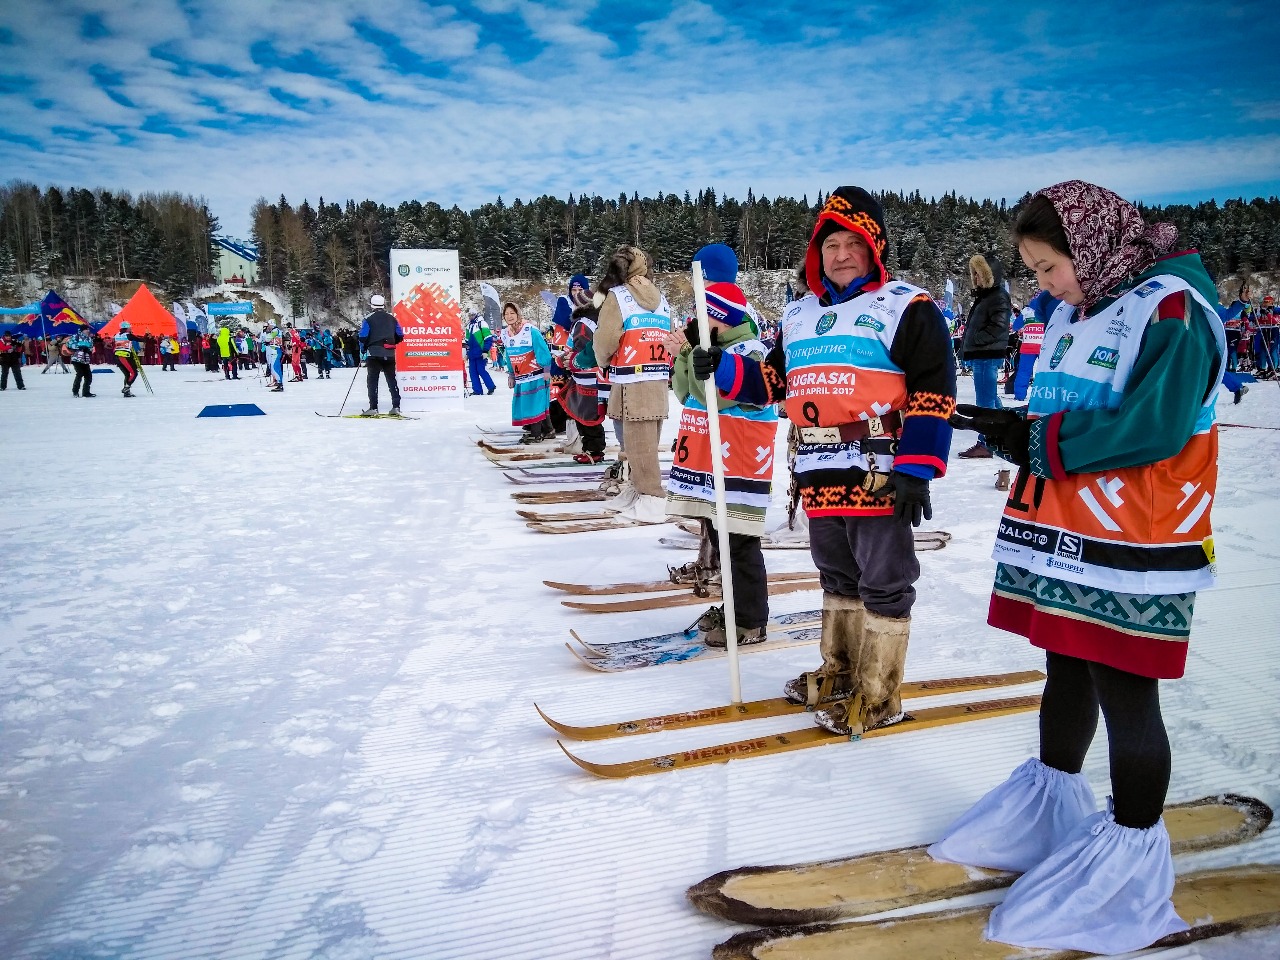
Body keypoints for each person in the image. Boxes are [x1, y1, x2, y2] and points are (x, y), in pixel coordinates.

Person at [935, 181, 1226, 955]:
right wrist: (1013, 428)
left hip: (1139, 539)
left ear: (1092, 248)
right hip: (1065, 528)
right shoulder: (1078, 309)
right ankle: (1051, 812)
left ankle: (1126, 870)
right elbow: (1070, 402)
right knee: (1065, 668)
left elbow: (1155, 424)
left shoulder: (1173, 308)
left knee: (1125, 689)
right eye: (1032, 271)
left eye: (1048, 267)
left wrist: (1042, 444)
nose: (1043, 286)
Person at [693, 186, 957, 736]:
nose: (839, 254)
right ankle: (840, 672)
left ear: (874, 248)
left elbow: (935, 390)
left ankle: (878, 692)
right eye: (830, 244)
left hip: (878, 463)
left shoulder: (907, 306)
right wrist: (719, 368)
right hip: (817, 465)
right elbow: (770, 381)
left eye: (852, 244)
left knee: (883, 578)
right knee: (836, 573)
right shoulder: (798, 314)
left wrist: (918, 466)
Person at [670, 280, 778, 646]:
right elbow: (685, 391)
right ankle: (734, 607)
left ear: (719, 319)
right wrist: (688, 353)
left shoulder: (748, 351)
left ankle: (749, 620)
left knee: (739, 543)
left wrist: (699, 353)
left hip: (741, 464)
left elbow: (712, 395)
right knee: (720, 537)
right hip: (715, 462)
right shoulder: (714, 347)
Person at [592, 245, 674, 523]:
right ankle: (638, 490)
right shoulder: (661, 298)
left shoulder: (619, 297)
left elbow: (606, 337)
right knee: (644, 441)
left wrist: (602, 359)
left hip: (629, 376)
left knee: (637, 442)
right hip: (656, 377)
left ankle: (651, 496)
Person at [957, 252, 1012, 458]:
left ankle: (987, 443)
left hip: (987, 355)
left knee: (985, 403)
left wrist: (975, 339)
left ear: (990, 275)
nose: (976, 278)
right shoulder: (986, 296)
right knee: (991, 400)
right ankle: (1005, 432)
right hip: (983, 355)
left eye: (979, 274)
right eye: (975, 274)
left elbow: (998, 327)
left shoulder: (997, 296)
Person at [501, 302, 552, 439]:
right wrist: (511, 374)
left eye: (512, 313)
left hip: (536, 375)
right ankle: (549, 430)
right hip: (521, 376)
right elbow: (508, 355)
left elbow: (542, 349)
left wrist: (546, 369)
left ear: (518, 314)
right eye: (506, 314)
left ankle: (536, 434)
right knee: (532, 404)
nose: (509, 316)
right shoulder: (505, 334)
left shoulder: (530, 330)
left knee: (534, 404)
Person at [359, 294, 403, 416]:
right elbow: (400, 334)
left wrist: (363, 349)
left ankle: (373, 408)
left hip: (374, 353)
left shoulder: (368, 318)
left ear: (372, 305)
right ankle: (396, 406)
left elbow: (363, 336)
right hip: (389, 353)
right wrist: (392, 342)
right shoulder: (392, 318)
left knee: (372, 381)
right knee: (391, 380)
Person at [465, 310, 496, 395]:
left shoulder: (482, 323)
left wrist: (485, 350)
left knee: (481, 370)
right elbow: (467, 341)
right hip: (472, 354)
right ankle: (477, 390)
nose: (470, 317)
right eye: (469, 315)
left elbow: (488, 338)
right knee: (472, 372)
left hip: (480, 352)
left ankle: (491, 386)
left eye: (472, 315)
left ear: (476, 315)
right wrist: (467, 353)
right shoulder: (469, 325)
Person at [113, 321, 142, 396]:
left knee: (127, 374)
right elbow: (139, 339)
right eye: (129, 327)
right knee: (134, 373)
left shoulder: (116, 335)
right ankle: (126, 387)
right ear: (126, 328)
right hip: (124, 356)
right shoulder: (128, 335)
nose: (130, 328)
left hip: (118, 356)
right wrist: (146, 335)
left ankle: (127, 392)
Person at [69, 328, 95, 396]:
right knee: (80, 374)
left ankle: (86, 392)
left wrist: (89, 350)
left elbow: (91, 347)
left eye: (88, 329)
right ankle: (75, 391)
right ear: (82, 330)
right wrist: (80, 347)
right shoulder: (76, 336)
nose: (88, 331)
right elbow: (69, 344)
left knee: (88, 376)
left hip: (85, 359)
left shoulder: (89, 338)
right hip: (76, 358)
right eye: (86, 329)